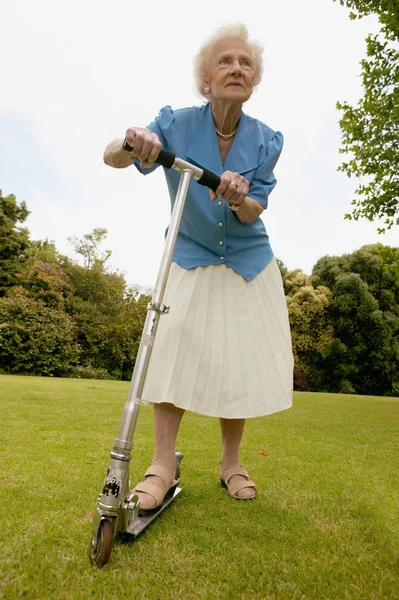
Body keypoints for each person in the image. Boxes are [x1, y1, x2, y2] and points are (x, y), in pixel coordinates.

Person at [104, 24, 293, 512]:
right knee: (172, 353)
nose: (237, 68)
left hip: (249, 263)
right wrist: (132, 142)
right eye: (226, 61)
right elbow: (113, 157)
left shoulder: (267, 140)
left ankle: (232, 464)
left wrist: (239, 197)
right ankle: (162, 465)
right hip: (187, 254)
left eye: (245, 62)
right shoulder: (176, 124)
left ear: (255, 79)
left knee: (240, 364)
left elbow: (256, 210)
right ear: (206, 78)